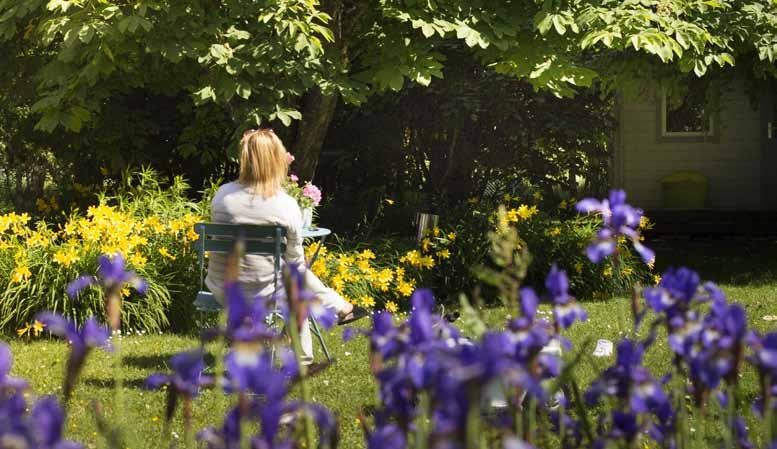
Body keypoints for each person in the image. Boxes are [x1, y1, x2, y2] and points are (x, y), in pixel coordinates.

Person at [205, 128, 365, 364]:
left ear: (244, 159)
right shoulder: (284, 204)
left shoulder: (222, 197)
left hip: (222, 288)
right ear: (276, 160)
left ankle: (340, 307)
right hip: (265, 291)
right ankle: (305, 356)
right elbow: (296, 263)